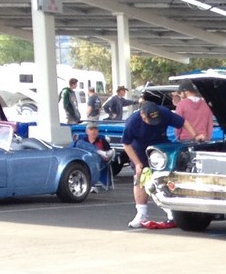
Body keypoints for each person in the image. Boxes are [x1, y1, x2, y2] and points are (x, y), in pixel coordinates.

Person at [121, 91, 184, 229]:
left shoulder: (163, 112)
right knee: (139, 179)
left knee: (166, 178)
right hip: (139, 151)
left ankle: (171, 210)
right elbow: (126, 144)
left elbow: (183, 123)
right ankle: (141, 213)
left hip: (160, 149)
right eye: (150, 120)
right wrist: (137, 163)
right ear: (142, 115)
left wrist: (196, 135)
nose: (153, 123)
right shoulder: (132, 122)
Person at [77, 121, 114, 191]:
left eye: (95, 129)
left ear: (98, 131)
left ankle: (91, 184)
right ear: (87, 132)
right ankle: (100, 152)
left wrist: (106, 157)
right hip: (84, 161)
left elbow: (108, 157)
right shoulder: (83, 141)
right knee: (79, 143)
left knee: (93, 156)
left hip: (99, 162)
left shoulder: (102, 141)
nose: (93, 132)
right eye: (91, 129)